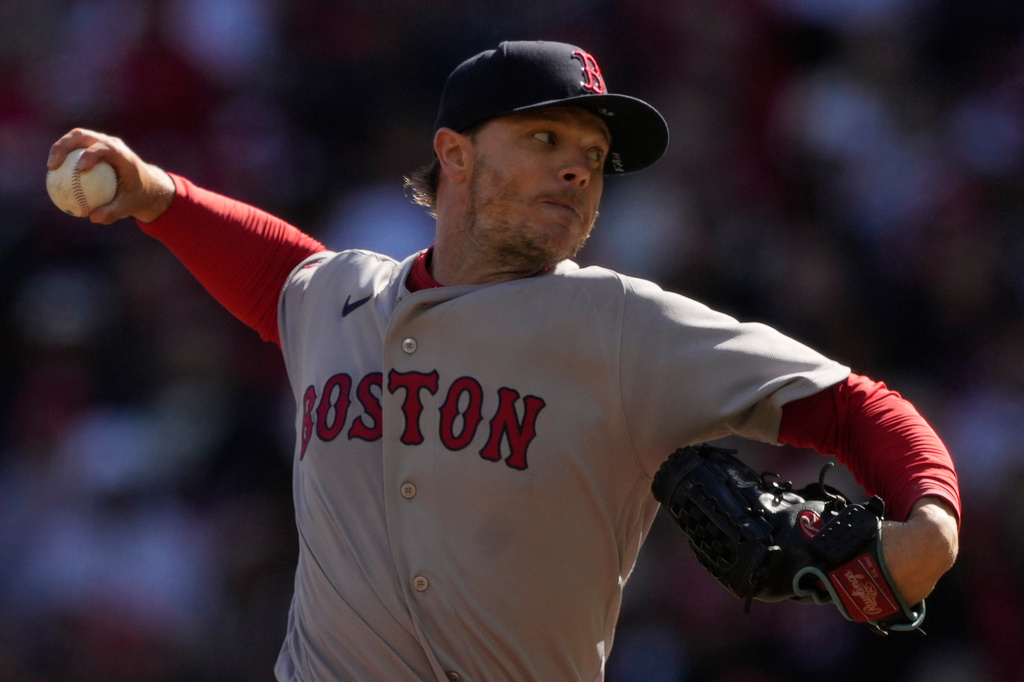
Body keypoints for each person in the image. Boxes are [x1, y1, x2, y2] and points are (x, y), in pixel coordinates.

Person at [48, 40, 960, 682]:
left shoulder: (620, 323)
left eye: (595, 157)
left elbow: (855, 408)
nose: (578, 170)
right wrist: (156, 194)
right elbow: (282, 273)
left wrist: (931, 529)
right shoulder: (343, 299)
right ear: (452, 155)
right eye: (545, 140)